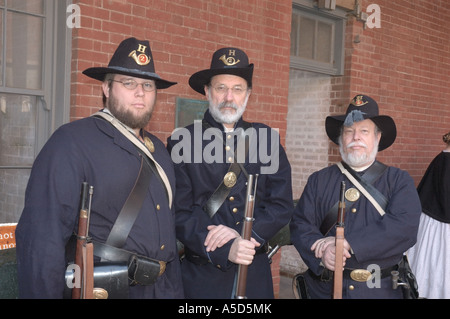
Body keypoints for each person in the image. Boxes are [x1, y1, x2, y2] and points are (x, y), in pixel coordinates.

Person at [15, 37, 184, 298]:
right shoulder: (71, 142)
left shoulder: (159, 151)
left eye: (148, 85)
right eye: (128, 83)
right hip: (107, 291)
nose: (140, 92)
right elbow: (41, 241)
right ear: (106, 88)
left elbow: (168, 241)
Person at [166, 47, 293, 298]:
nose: (228, 97)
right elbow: (179, 213)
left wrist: (243, 234)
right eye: (220, 87)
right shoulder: (181, 142)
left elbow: (281, 205)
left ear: (248, 94)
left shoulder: (266, 140)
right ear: (207, 91)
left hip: (254, 271)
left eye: (237, 89)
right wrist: (225, 248)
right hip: (202, 275)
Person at [290, 94, 421, 299]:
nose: (356, 137)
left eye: (364, 131)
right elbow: (300, 225)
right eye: (349, 131)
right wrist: (322, 252)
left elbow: (404, 228)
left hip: (380, 290)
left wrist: (348, 243)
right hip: (323, 289)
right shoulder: (318, 180)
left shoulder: (399, 181)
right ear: (341, 138)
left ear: (377, 137)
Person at [408, 131, 450, 299]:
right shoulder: (444, 161)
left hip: (431, 220)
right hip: (439, 221)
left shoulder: (439, 159)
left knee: (431, 265)